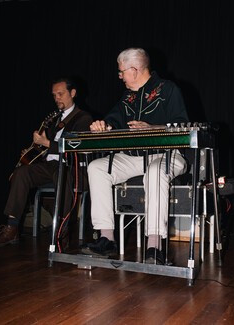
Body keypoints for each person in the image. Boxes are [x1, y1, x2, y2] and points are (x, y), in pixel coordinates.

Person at [81, 47, 189, 264]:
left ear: (135, 69)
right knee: (97, 168)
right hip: (134, 158)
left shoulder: (168, 89)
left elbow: (183, 126)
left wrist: (153, 128)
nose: (119, 76)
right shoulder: (127, 97)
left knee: (155, 171)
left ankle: (154, 245)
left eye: (121, 71)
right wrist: (103, 125)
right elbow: (114, 119)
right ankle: (106, 238)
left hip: (167, 155)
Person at [0, 77, 93, 248]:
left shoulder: (83, 118)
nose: (57, 98)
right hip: (51, 166)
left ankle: (62, 229)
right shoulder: (54, 120)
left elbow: (76, 147)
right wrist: (33, 153)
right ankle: (12, 228)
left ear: (73, 93)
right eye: (54, 95)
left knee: (62, 174)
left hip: (72, 167)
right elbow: (47, 150)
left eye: (61, 94)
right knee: (21, 172)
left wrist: (46, 144)